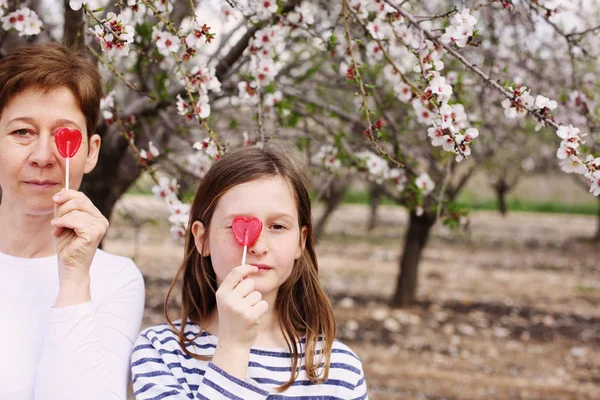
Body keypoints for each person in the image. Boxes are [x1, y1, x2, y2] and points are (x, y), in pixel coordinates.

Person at [131, 145, 368, 399]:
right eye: (237, 226)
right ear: (203, 239)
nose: (257, 246)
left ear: (301, 241)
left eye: (277, 226)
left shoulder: (339, 371)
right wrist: (233, 346)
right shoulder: (161, 352)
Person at [0, 43, 145, 399]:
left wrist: (76, 278)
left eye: (64, 136)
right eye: (22, 132)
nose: (43, 156)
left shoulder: (117, 281)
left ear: (92, 151)